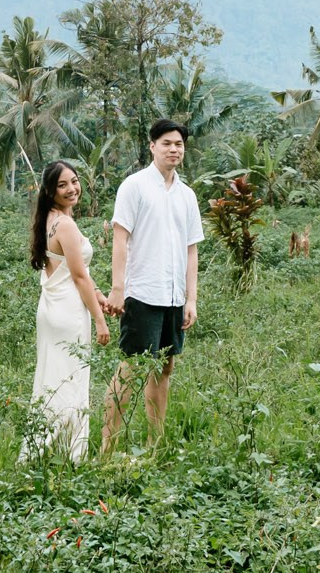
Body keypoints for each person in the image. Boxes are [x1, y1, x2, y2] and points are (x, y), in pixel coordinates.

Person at [102, 119, 204, 451]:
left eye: (179, 144)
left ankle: (154, 442)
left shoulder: (187, 195)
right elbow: (120, 239)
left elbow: (192, 250)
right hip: (142, 292)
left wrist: (191, 298)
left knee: (165, 368)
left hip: (174, 296)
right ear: (152, 147)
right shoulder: (134, 186)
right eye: (167, 144)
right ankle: (108, 446)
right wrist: (118, 288)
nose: (174, 149)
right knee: (130, 369)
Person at [24, 160, 111, 462]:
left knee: (51, 379)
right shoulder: (67, 225)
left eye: (74, 181)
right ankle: (74, 455)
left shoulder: (47, 219)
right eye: (63, 185)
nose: (72, 188)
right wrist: (100, 320)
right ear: (50, 190)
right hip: (69, 312)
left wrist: (98, 293)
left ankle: (41, 449)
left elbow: (75, 270)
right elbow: (78, 276)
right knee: (73, 380)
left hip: (50, 309)